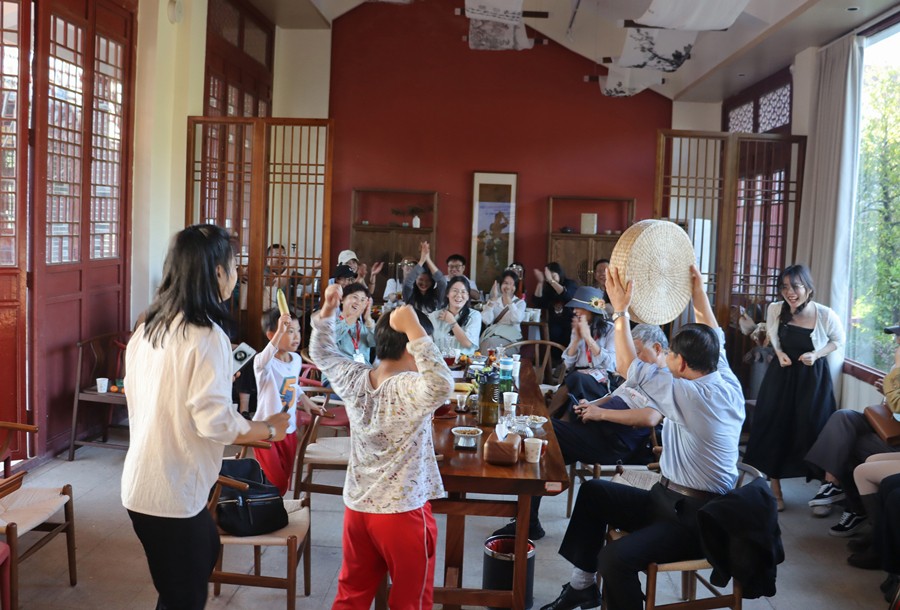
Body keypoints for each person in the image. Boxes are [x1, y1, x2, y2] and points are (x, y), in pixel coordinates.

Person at [540, 265, 745, 610]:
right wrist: (697, 292)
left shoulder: (691, 394)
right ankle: (582, 587)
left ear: (681, 363)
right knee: (594, 492)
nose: (666, 360)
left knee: (615, 559)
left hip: (697, 519)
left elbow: (627, 367)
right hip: (668, 498)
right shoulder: (721, 375)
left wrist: (620, 311)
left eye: (670, 356)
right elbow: (713, 332)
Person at [121, 224, 289, 610]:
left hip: (141, 487)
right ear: (217, 272)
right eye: (234, 265)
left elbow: (144, 395)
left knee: (187, 575)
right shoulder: (207, 335)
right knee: (184, 595)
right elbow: (214, 422)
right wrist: (267, 428)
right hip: (173, 491)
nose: (237, 274)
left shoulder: (147, 329)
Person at [310, 286, 453, 610]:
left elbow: (322, 352)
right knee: (410, 602)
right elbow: (442, 384)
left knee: (351, 596)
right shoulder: (409, 388)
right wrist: (414, 326)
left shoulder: (355, 377)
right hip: (402, 512)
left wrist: (328, 312)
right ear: (413, 349)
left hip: (358, 509)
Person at [493, 323, 668, 541]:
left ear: (657, 348)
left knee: (541, 431)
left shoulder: (666, 378)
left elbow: (650, 418)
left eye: (639, 351)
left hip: (615, 442)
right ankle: (528, 520)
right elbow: (615, 396)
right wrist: (591, 405)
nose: (636, 357)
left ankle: (528, 520)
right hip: (598, 430)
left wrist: (600, 414)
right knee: (544, 450)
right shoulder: (643, 368)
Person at [744, 265, 845, 512]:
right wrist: (779, 354)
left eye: (796, 286)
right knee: (774, 427)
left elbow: (838, 340)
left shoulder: (825, 314)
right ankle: (775, 490)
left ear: (808, 288)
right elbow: (773, 336)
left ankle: (825, 491)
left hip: (813, 378)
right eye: (785, 287)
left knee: (816, 428)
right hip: (781, 376)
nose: (790, 292)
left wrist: (816, 354)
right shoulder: (775, 309)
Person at [253, 307, 322, 496]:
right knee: (276, 481)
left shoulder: (296, 360)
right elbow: (262, 360)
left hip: (288, 429)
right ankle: (264, 506)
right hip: (265, 430)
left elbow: (293, 384)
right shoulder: (264, 363)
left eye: (297, 330)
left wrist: (304, 399)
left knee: (285, 479)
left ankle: (272, 507)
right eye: (289, 331)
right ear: (271, 335)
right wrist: (280, 332)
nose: (296, 336)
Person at [560, 286, 616, 404]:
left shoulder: (612, 330)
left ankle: (552, 413)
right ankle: (554, 414)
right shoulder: (579, 327)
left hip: (601, 380)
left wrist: (588, 338)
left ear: (591, 309)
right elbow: (568, 364)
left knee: (574, 381)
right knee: (573, 380)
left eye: (578, 307)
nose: (574, 311)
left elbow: (610, 364)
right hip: (578, 375)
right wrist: (576, 340)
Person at [532, 262, 579, 364]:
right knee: (552, 335)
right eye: (548, 277)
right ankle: (555, 366)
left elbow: (567, 296)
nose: (550, 279)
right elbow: (538, 302)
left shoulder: (570, 284)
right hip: (554, 324)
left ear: (559, 273)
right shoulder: (549, 288)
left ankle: (566, 365)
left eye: (553, 276)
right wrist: (540, 283)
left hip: (570, 323)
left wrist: (551, 281)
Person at [429, 276, 483, 356]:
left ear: (468, 296)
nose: (459, 295)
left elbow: (467, 344)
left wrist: (452, 321)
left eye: (463, 292)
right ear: (447, 294)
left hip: (463, 361)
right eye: (455, 291)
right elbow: (428, 342)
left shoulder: (474, 316)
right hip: (439, 361)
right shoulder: (434, 316)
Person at [480, 269, 526, 351]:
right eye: (505, 283)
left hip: (512, 339)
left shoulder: (520, 303)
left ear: (515, 287)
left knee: (490, 344)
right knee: (487, 342)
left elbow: (517, 319)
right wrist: (492, 300)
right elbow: (486, 320)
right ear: (500, 285)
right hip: (494, 335)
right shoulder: (494, 301)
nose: (508, 287)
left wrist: (510, 302)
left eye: (512, 284)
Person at [403, 241, 447, 314]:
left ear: (432, 282)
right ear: (415, 279)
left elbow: (442, 282)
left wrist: (428, 259)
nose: (424, 283)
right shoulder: (409, 294)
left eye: (428, 281)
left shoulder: (437, 295)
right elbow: (407, 283)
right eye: (421, 279)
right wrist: (422, 260)